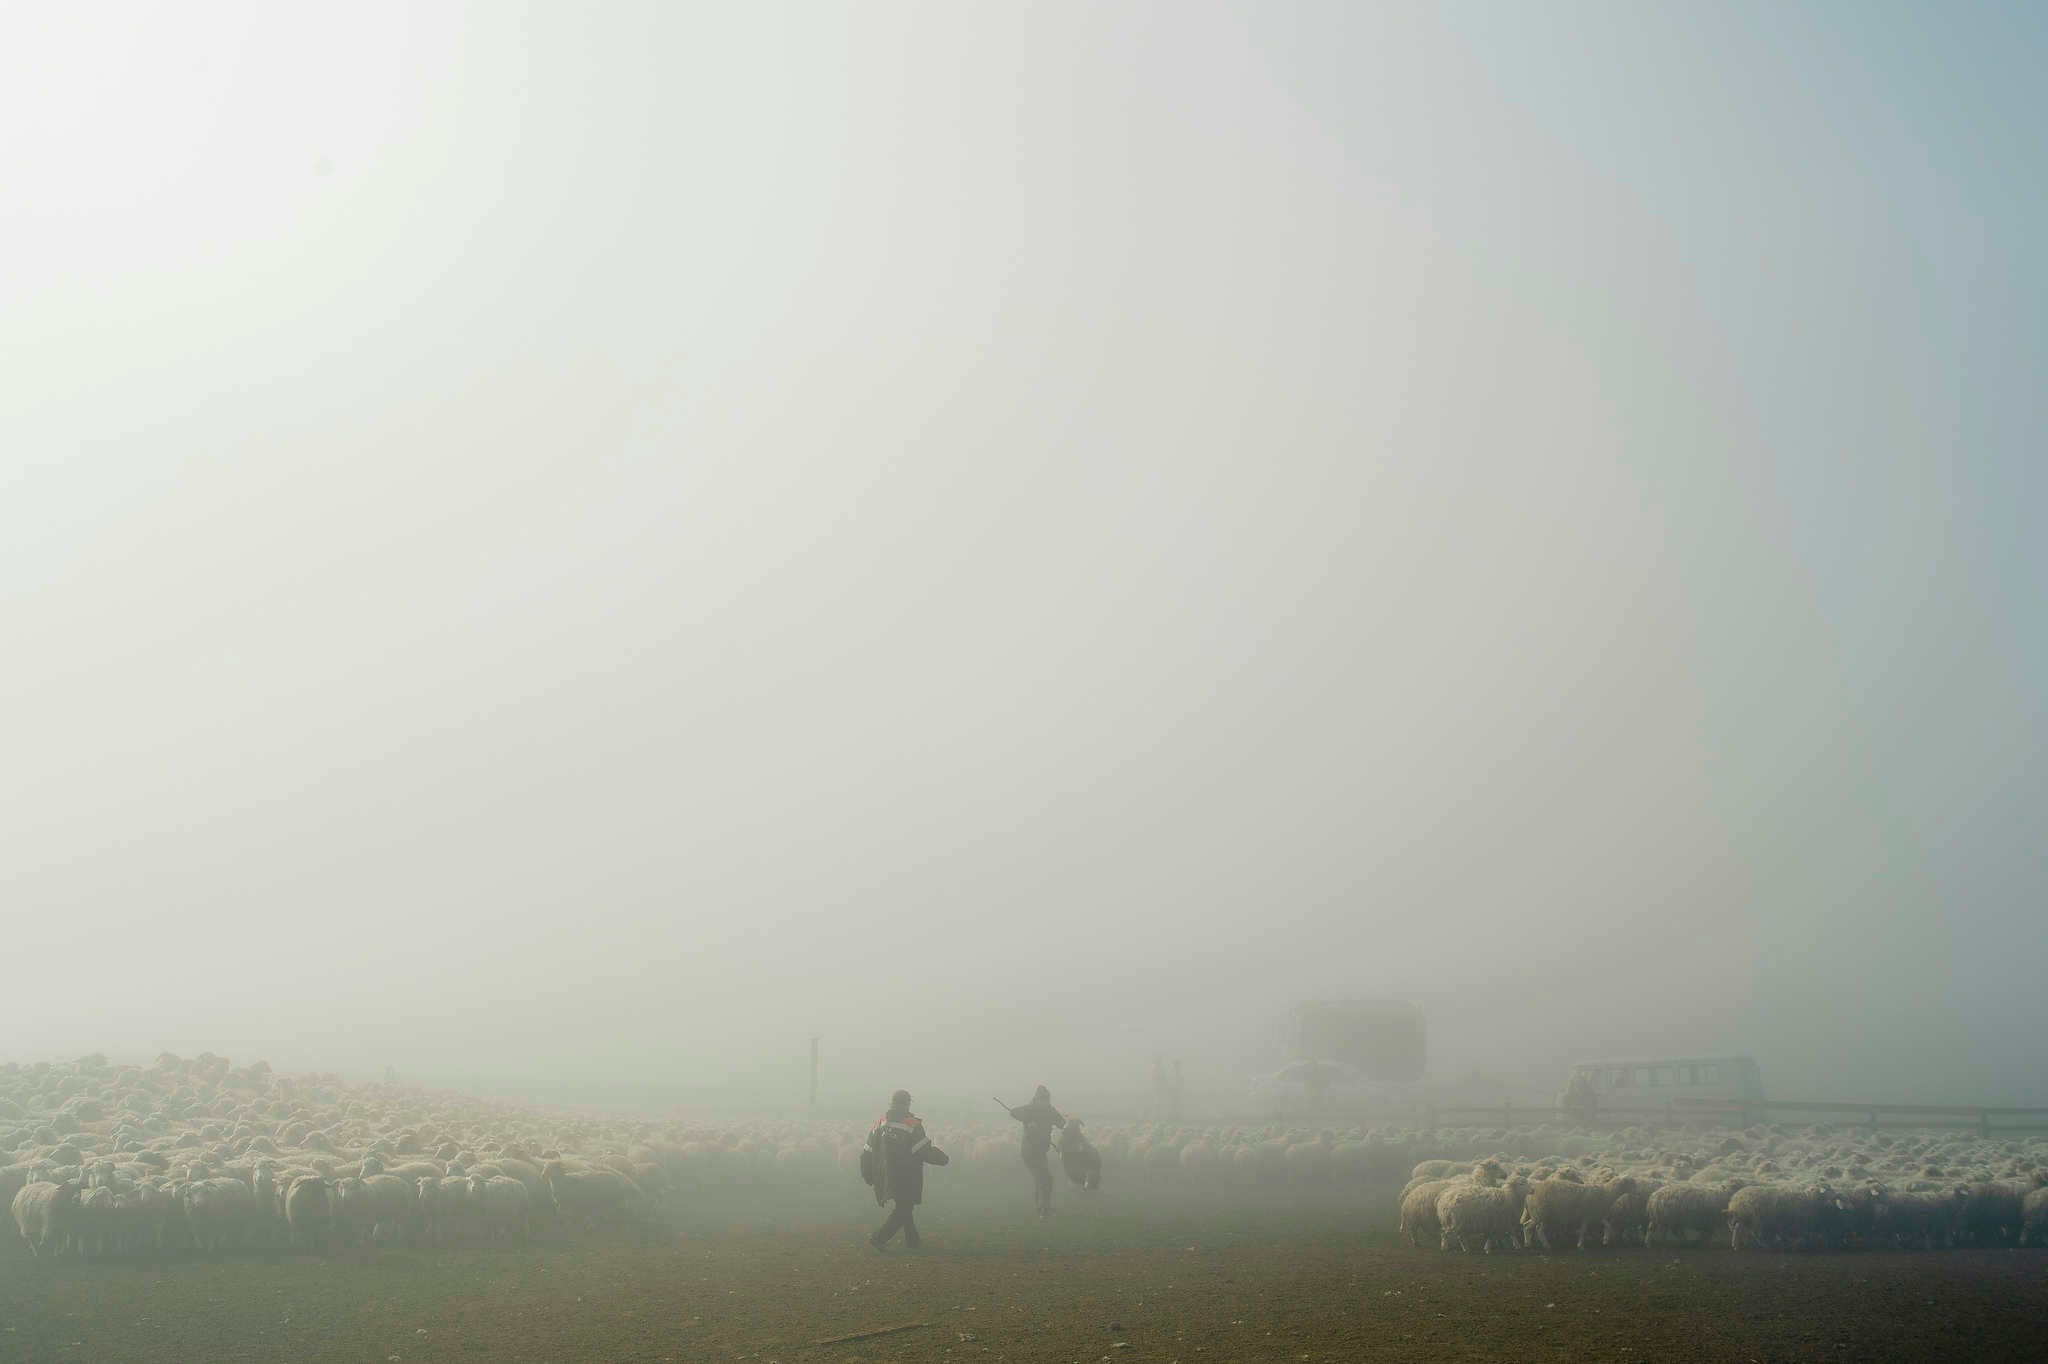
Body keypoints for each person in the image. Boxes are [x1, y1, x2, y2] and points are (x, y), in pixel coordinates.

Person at [862, 1089, 948, 1250]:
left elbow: (868, 1149)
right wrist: (942, 1158)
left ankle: (913, 1240)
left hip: (884, 1174)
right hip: (906, 1173)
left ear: (892, 1103)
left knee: (904, 1205)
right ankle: (879, 1238)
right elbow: (922, 1149)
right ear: (907, 1104)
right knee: (904, 1208)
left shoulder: (880, 1123)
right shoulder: (912, 1124)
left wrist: (866, 1171)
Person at [1007, 1084, 1066, 1219]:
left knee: (1041, 1179)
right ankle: (1043, 1209)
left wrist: (1069, 1124)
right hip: (1030, 1151)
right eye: (1042, 1099)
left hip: (1041, 1150)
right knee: (1046, 1179)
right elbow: (1014, 1112)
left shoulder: (1050, 1111)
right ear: (1037, 1099)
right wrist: (1029, 1120)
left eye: (1046, 1099)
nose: (1044, 1102)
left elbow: (1062, 1123)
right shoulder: (1030, 1109)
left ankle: (1042, 1207)